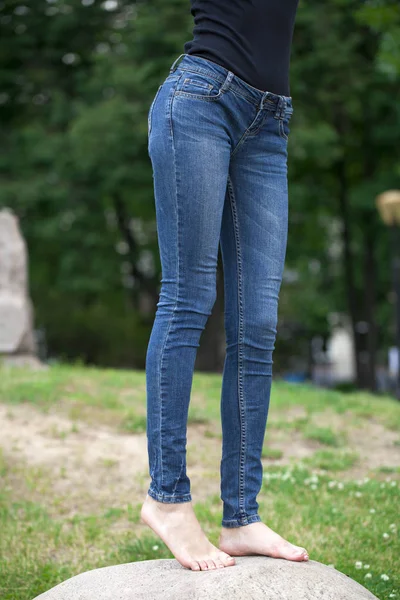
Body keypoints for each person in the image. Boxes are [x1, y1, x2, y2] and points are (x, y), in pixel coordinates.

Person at [141, 0, 309, 571]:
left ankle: (241, 514)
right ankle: (167, 499)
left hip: (270, 121)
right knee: (189, 299)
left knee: (258, 323)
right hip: (201, 98)